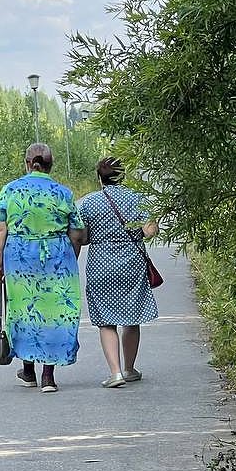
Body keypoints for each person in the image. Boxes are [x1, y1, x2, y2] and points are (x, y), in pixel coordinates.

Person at [0, 143, 85, 393]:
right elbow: (77, 232)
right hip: (57, 255)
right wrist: (70, 257)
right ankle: (48, 376)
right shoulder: (62, 193)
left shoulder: (10, 190)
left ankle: (28, 370)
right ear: (51, 165)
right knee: (53, 310)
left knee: (24, 309)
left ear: (26, 163)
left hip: (20, 258)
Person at [78, 157, 159, 388]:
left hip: (100, 265)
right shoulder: (138, 199)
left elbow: (82, 238)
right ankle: (129, 368)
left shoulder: (89, 203)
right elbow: (150, 231)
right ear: (123, 175)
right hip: (132, 264)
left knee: (106, 321)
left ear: (99, 178)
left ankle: (115, 373)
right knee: (131, 318)